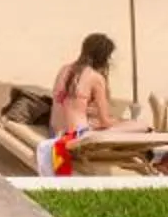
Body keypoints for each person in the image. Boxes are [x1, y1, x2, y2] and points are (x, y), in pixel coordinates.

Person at [36, 33, 123, 177]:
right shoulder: (96, 78)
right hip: (75, 136)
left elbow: (66, 102)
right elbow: (105, 121)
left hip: (54, 130)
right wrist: (119, 122)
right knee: (135, 126)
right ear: (104, 57)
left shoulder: (64, 69)